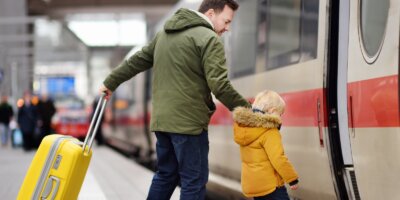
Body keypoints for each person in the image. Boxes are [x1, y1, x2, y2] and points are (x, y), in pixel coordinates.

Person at [100, 0, 251, 199]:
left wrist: (110, 82)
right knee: (193, 181)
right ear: (212, 13)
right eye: (226, 21)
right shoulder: (209, 39)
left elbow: (136, 61)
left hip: (162, 123)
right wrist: (249, 111)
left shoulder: (163, 35)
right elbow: (220, 86)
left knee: (165, 175)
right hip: (188, 125)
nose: (227, 28)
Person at [232, 90, 299, 200]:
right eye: (280, 114)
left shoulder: (245, 128)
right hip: (272, 187)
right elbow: (278, 158)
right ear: (272, 111)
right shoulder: (269, 131)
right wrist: (292, 178)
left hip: (255, 186)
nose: (281, 118)